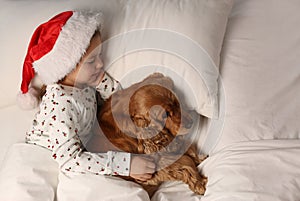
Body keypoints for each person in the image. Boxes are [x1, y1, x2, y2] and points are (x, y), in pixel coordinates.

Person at [17, 10, 155, 181]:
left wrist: (99, 81)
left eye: (100, 56)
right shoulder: (61, 104)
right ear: (67, 67)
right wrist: (125, 165)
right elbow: (70, 160)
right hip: (46, 155)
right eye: (92, 61)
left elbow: (118, 99)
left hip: (76, 150)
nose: (101, 64)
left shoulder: (83, 84)